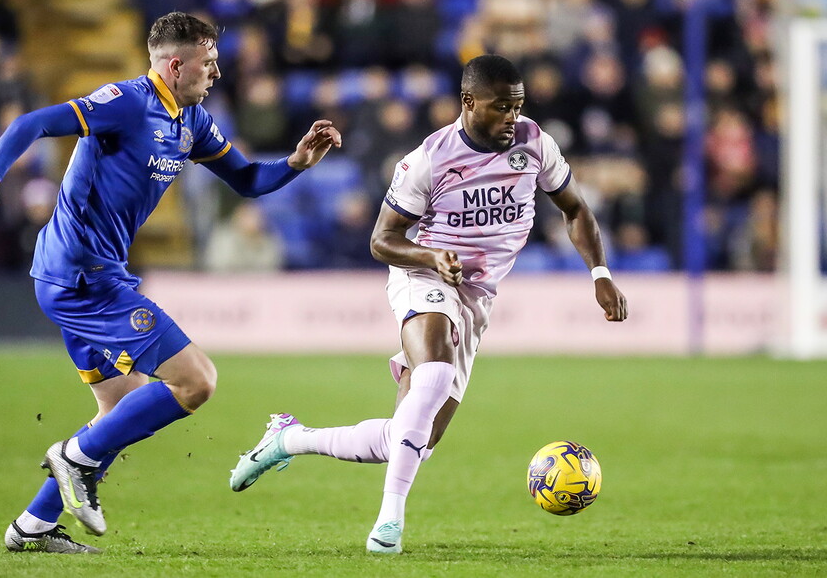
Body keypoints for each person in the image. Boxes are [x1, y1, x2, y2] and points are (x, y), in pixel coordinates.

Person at [0, 12, 341, 554]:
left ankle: (32, 525)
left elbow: (245, 179)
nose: (216, 72)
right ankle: (74, 457)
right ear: (177, 65)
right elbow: (31, 123)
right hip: (83, 279)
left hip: (85, 276)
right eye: (209, 63)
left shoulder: (191, 120)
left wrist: (295, 162)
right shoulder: (126, 103)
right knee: (196, 382)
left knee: (120, 409)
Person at [229, 54, 627, 554]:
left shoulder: (535, 143)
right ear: (468, 102)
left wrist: (600, 273)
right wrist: (430, 254)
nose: (512, 118)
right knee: (433, 372)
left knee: (409, 439)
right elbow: (381, 240)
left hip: (478, 296)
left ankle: (289, 440)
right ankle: (388, 522)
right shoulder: (430, 159)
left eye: (518, 106)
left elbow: (576, 210)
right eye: (502, 107)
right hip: (422, 274)